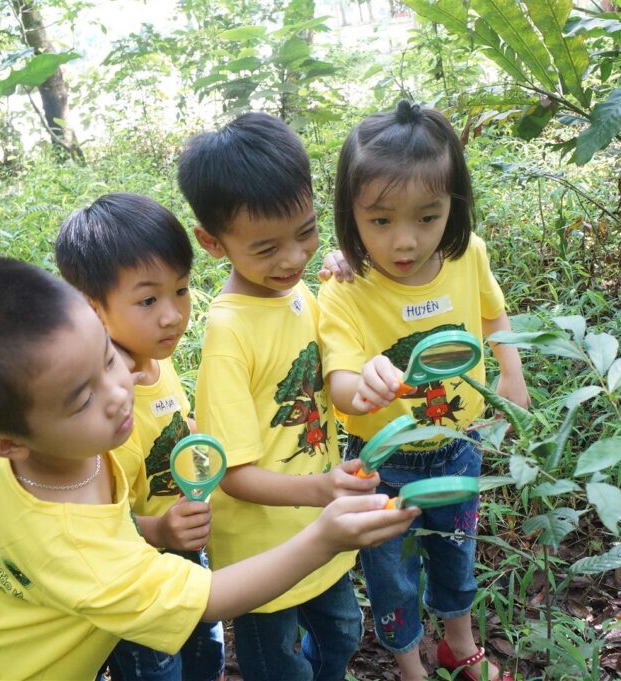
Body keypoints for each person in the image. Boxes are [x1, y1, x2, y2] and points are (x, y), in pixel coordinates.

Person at [0, 257, 419, 681]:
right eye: (83, 396)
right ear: (8, 444)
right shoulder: (75, 548)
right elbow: (209, 599)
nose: (118, 392)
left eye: (108, 357)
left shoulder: (27, 427)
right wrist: (325, 537)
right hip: (33, 665)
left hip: (0, 613)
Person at [318, 100, 529, 681]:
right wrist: (361, 384)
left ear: (453, 208)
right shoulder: (346, 288)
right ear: (350, 213)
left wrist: (511, 375)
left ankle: (458, 646)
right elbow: (338, 379)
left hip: (459, 442)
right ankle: (412, 668)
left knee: (456, 553)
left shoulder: (468, 255)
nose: (404, 242)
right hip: (383, 463)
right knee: (392, 571)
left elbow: (493, 314)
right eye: (380, 221)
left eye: (428, 216)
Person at [177, 112, 379, 681]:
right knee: (279, 665)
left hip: (321, 528)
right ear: (213, 244)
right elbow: (231, 472)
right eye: (266, 248)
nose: (292, 259)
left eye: (307, 233)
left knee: (341, 632)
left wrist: (338, 274)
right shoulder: (229, 332)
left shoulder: (297, 294)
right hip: (262, 553)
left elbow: (330, 366)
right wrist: (319, 490)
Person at [55, 193, 224, 681]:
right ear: (93, 307)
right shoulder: (99, 407)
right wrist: (163, 531)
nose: (172, 315)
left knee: (204, 656)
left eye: (182, 290)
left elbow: (176, 427)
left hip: (187, 553)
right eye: (148, 300)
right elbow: (96, 522)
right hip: (137, 577)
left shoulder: (157, 361)